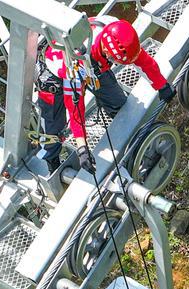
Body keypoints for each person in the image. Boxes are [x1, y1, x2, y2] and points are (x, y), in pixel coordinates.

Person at [37, 17, 174, 174]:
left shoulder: (114, 29)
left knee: (119, 104)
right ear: (108, 54)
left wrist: (162, 85)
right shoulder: (75, 66)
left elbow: (142, 59)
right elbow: (75, 109)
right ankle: (51, 161)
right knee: (52, 124)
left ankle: (126, 139)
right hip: (59, 72)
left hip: (94, 63)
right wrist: (82, 148)